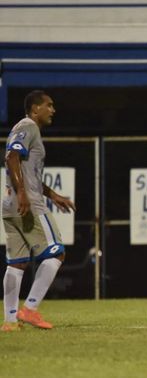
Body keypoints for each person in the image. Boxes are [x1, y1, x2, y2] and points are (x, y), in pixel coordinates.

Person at [1, 90, 75, 332]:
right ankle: (30, 310)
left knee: (16, 264)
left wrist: (53, 194)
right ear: (35, 109)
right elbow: (11, 157)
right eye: (49, 105)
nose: (53, 110)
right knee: (56, 253)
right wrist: (23, 192)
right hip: (28, 204)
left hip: (9, 205)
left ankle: (10, 322)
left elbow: (27, 171)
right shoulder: (28, 126)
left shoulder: (24, 128)